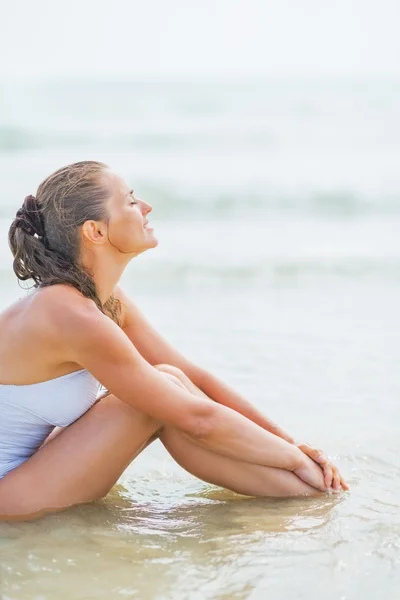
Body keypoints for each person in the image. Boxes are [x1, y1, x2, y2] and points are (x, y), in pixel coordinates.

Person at [0, 160, 348, 521]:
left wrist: (290, 443)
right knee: (154, 400)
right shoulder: (69, 314)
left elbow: (194, 380)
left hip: (33, 471)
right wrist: (295, 459)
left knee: (171, 380)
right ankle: (316, 496)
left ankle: (311, 496)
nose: (146, 207)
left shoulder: (100, 300)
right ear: (95, 232)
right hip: (9, 496)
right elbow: (197, 419)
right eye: (131, 201)